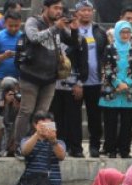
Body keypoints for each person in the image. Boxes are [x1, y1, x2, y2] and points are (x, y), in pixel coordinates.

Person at [13, 0, 76, 148]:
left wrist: (74, 29)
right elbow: (34, 38)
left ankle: (38, 146)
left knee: (42, 114)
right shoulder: (33, 21)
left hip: (50, 78)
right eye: (55, 8)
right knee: (26, 111)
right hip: (30, 75)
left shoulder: (59, 25)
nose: (59, 11)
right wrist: (55, 28)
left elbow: (74, 42)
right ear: (45, 8)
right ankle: (18, 145)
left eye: (61, 8)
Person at [99, 20, 132, 159]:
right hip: (112, 91)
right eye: (123, 32)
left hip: (128, 92)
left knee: (127, 124)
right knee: (110, 123)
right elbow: (106, 68)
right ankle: (111, 150)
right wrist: (117, 83)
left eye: (128, 32)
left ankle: (124, 151)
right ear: (117, 32)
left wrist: (127, 83)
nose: (125, 35)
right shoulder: (109, 48)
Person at [74, 0, 107, 158]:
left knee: (95, 116)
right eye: (83, 10)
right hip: (77, 82)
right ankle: (76, 148)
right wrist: (76, 81)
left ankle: (95, 146)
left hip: (96, 82)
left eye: (89, 10)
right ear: (77, 13)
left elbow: (105, 55)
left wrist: (104, 77)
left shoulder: (99, 31)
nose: (86, 13)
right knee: (74, 117)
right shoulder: (72, 31)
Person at [50, 13, 86, 158]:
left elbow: (83, 62)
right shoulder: (51, 37)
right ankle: (59, 147)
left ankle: (76, 148)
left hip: (72, 83)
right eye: (62, 22)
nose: (65, 25)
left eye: (68, 22)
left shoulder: (78, 39)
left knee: (74, 117)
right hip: (53, 84)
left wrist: (80, 83)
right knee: (56, 117)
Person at [0, 11, 22, 101]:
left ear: (20, 23)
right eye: (10, 26)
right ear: (5, 23)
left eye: (16, 26)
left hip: (17, 79)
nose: (13, 28)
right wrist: (4, 56)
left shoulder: (23, 37)